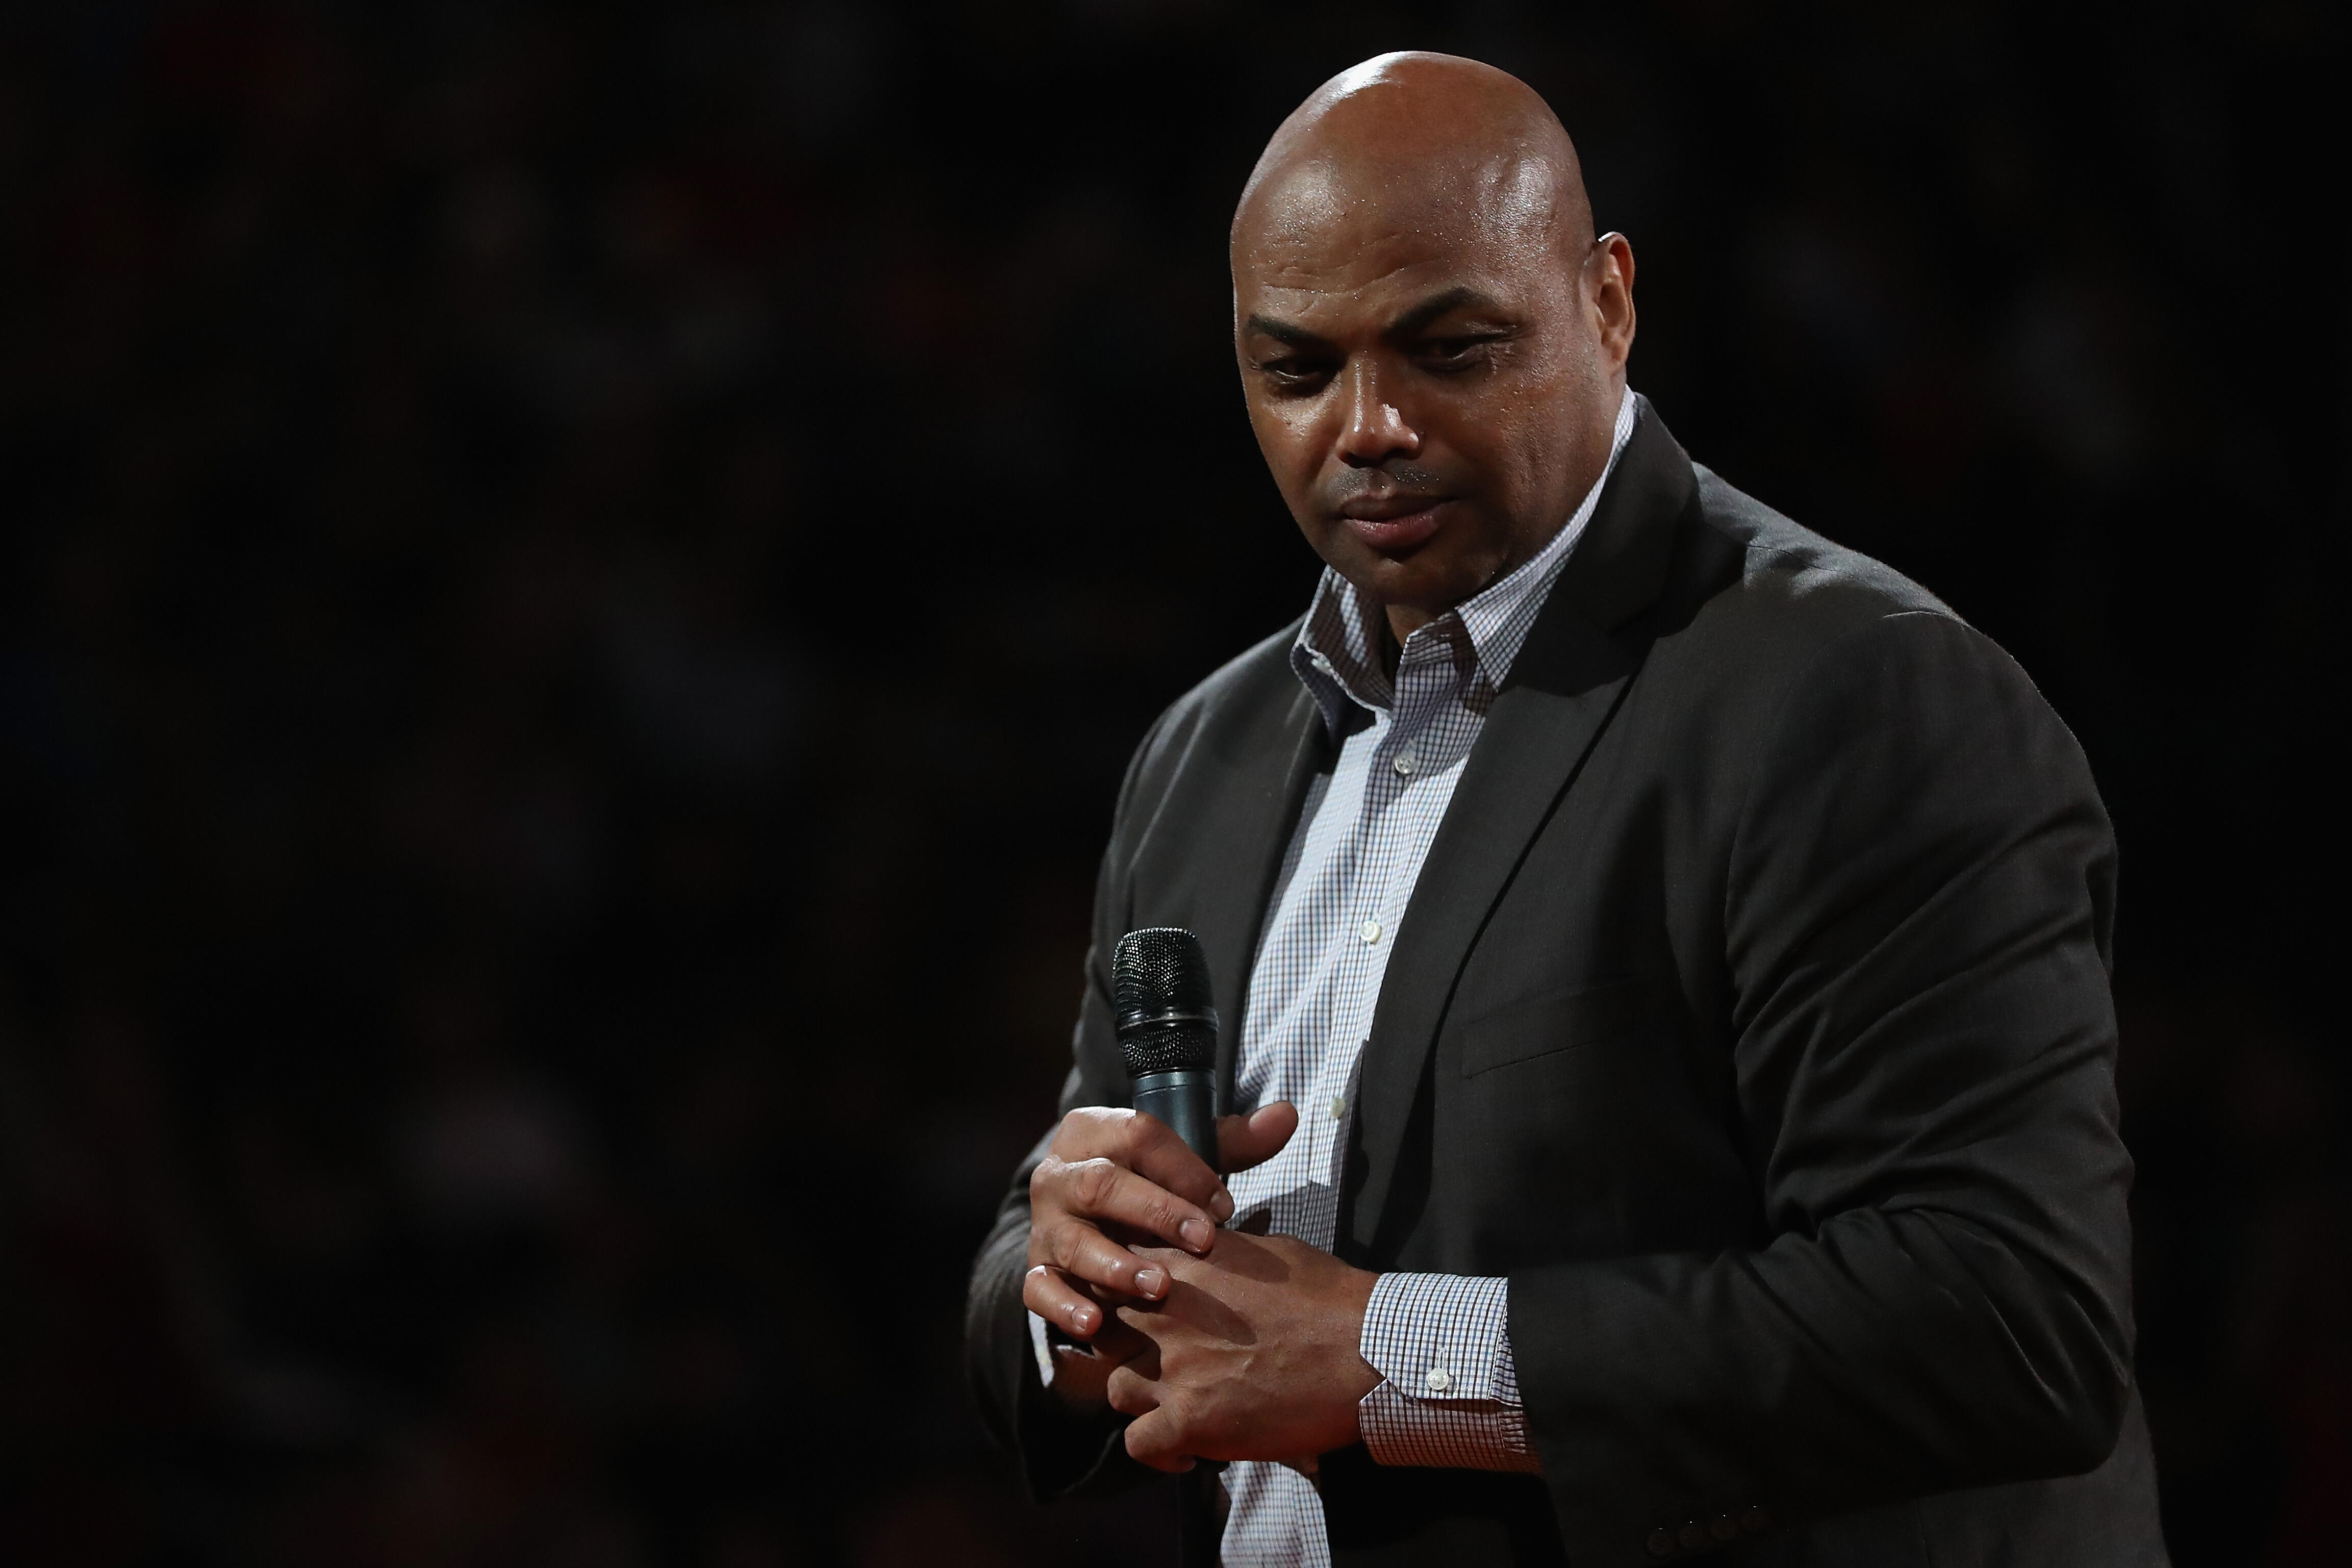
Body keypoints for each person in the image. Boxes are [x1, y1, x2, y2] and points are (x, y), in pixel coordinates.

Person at [963, 50, 2165, 1568]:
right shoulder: (1199, 753)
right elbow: (1045, 1249)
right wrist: (1062, 1288)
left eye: (1448, 349)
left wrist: (1387, 1355)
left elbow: (2009, 1318)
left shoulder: (1858, 696)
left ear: (1605, 299)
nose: (1367, 424)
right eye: (1295, 369)